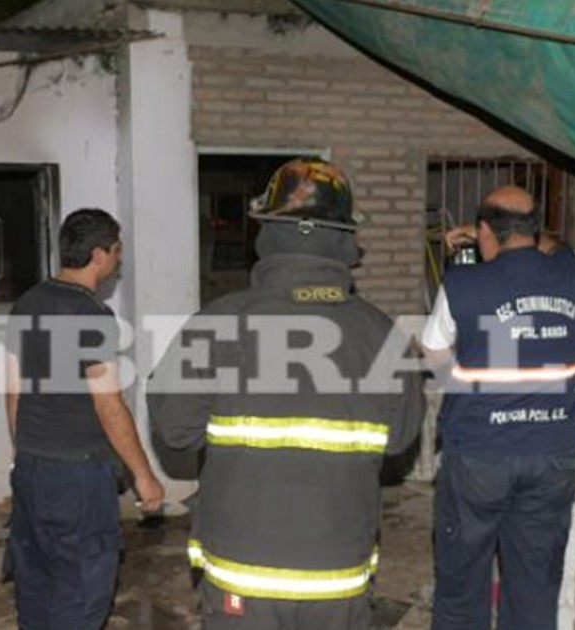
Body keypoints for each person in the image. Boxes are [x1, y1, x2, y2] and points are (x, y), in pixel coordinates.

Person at [148, 158, 424, 629]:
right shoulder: (382, 335)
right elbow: (400, 439)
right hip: (337, 570)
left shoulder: (217, 322)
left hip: (241, 570)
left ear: (266, 234)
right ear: (346, 241)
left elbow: (174, 431)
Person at [422, 186, 575, 630]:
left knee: (463, 585)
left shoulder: (464, 284)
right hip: (552, 454)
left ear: (485, 230)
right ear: (537, 230)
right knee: (536, 585)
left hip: (479, 455)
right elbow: (562, 251)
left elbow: (433, 353)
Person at [4, 208, 165, 630]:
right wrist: (143, 476)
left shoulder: (29, 301)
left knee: (36, 583)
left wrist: (23, 453)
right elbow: (109, 405)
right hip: (77, 478)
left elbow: (14, 388)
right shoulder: (91, 315)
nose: (119, 259)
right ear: (98, 254)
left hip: (32, 469)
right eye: (116, 250)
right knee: (82, 593)